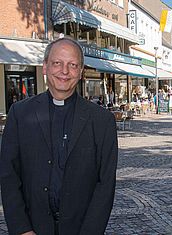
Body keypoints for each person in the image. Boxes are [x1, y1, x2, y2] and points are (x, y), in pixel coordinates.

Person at [0, 37, 118, 235]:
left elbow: (105, 184)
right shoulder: (20, 114)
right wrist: (22, 229)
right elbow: (8, 175)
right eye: (57, 63)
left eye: (72, 65)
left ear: (80, 72)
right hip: (32, 227)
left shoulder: (102, 120)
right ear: (45, 66)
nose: (64, 71)